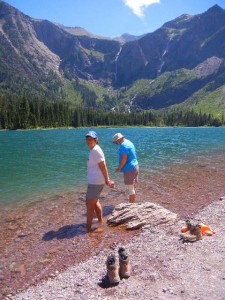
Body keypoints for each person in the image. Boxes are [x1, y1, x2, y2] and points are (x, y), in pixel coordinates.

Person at [85, 130, 112, 232]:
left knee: (89, 204)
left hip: (95, 182)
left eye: (91, 139)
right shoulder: (94, 149)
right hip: (95, 180)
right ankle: (100, 221)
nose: (88, 141)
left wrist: (107, 179)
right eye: (87, 139)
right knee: (95, 201)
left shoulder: (95, 150)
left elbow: (103, 166)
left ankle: (88, 228)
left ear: (96, 139)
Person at [113, 133, 139, 203]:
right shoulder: (129, 142)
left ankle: (131, 206)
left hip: (129, 169)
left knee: (130, 188)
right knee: (133, 186)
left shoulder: (123, 146)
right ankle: (133, 202)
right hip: (135, 166)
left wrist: (119, 168)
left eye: (116, 142)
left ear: (119, 139)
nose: (116, 144)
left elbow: (124, 159)